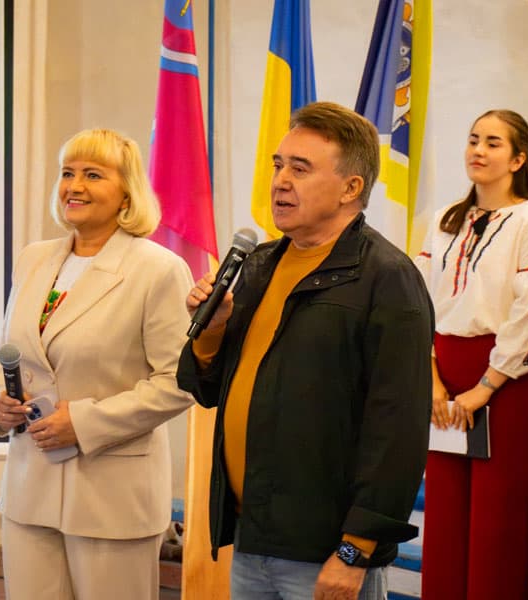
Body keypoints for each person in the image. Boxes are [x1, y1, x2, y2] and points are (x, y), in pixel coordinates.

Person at [177, 101, 434, 600]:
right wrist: (212, 328)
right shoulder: (259, 264)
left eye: (300, 168)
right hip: (250, 537)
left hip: (327, 553)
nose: (280, 181)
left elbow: (398, 429)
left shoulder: (387, 278)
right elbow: (207, 389)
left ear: (350, 188)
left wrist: (355, 551)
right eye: (278, 165)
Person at [0, 128, 194, 600]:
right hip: (29, 488)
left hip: (111, 496)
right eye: (68, 173)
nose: (74, 186)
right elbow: (5, 353)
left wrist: (83, 423)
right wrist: (1, 400)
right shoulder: (33, 259)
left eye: (93, 175)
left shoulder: (158, 269)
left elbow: (179, 381)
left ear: (127, 192)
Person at [415, 109, 528, 600]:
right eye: (474, 139)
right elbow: (419, 300)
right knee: (445, 512)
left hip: (504, 381)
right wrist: (432, 379)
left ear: (518, 159)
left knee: (496, 520)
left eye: (493, 143)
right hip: (441, 376)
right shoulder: (445, 220)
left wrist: (485, 387)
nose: (478, 150)